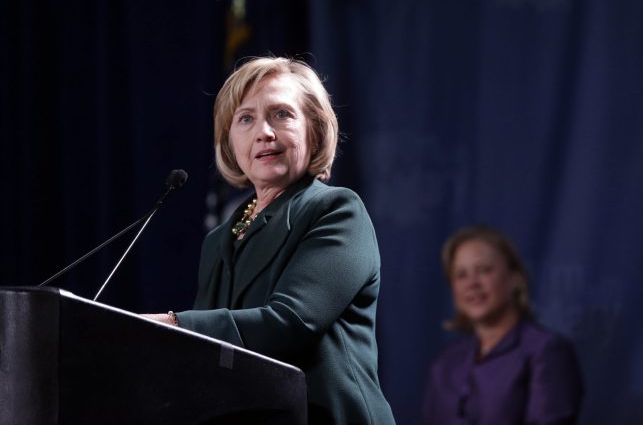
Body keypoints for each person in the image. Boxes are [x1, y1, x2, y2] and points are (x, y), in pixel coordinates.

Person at [144, 56, 395, 424]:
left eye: (282, 114)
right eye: (246, 119)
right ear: (230, 142)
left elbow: (289, 323)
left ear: (314, 129)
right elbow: (204, 356)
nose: (264, 132)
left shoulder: (337, 211)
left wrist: (172, 325)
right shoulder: (219, 240)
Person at [422, 225, 583, 425]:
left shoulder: (547, 351)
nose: (472, 283)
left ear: (515, 278)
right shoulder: (445, 363)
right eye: (461, 275)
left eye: (484, 270)